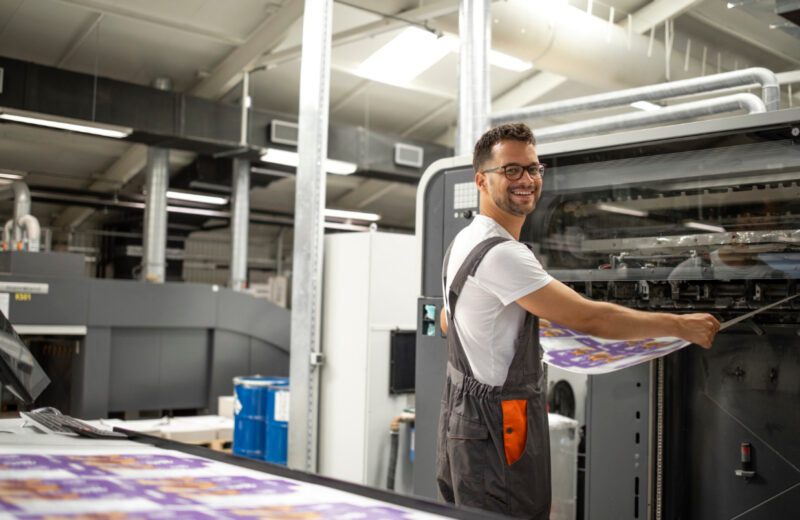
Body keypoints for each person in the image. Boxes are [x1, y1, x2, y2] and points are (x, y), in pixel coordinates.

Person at [436, 122, 720, 520]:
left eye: (534, 168)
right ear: (482, 181)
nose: (527, 179)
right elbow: (592, 318)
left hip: (463, 422)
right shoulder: (503, 254)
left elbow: (450, 321)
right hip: (499, 426)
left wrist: (521, 320)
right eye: (512, 170)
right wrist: (680, 326)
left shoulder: (462, 242)